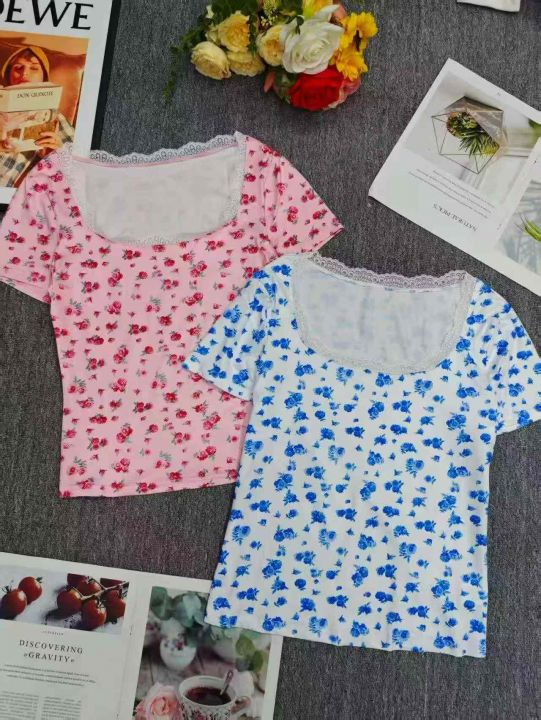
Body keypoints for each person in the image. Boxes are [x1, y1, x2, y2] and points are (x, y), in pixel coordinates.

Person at [0, 45, 74, 187]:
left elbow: (78, 166)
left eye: (34, 68)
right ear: (8, 75)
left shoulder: (53, 116)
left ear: (44, 77)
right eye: (18, 68)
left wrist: (56, 154)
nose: (24, 73)